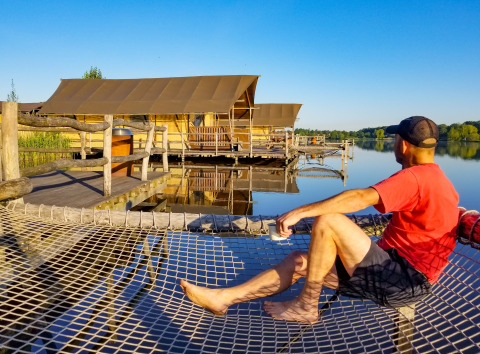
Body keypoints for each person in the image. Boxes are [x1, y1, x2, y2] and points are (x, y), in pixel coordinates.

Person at [180, 116, 459, 323]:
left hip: (403, 279)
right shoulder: (440, 180)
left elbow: (362, 197)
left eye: (395, 140)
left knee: (329, 221)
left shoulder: (415, 178)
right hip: (393, 275)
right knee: (298, 262)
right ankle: (222, 299)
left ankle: (306, 305)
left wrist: (301, 211)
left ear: (404, 145)